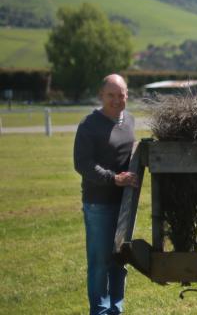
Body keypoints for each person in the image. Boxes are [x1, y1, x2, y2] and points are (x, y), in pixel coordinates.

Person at [74, 74, 138, 315]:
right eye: (111, 95)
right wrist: (114, 179)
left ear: (127, 96)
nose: (116, 100)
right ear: (101, 96)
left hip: (124, 204)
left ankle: (115, 309)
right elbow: (82, 164)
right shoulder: (89, 125)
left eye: (121, 95)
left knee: (119, 261)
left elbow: (129, 155)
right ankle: (99, 311)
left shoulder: (129, 120)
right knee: (100, 262)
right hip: (98, 204)